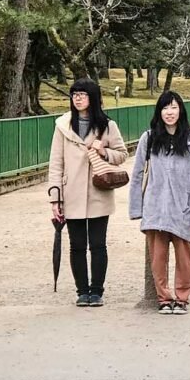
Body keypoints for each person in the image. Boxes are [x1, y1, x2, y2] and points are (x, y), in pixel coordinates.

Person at [47, 79, 128, 307]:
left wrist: (104, 151)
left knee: (98, 244)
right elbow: (56, 163)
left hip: (98, 191)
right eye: (74, 94)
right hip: (70, 192)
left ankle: (97, 291)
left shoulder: (107, 125)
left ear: (92, 97)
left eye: (82, 94)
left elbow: (122, 154)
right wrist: (55, 198)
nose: (78, 98)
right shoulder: (63, 126)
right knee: (77, 245)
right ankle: (82, 291)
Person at [129, 91, 190, 315]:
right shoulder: (149, 137)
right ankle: (164, 298)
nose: (169, 112)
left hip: (182, 208)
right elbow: (137, 174)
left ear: (180, 110)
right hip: (155, 207)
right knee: (158, 257)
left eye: (173, 107)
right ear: (159, 111)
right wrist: (136, 209)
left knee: (184, 258)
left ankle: (182, 298)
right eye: (165, 108)